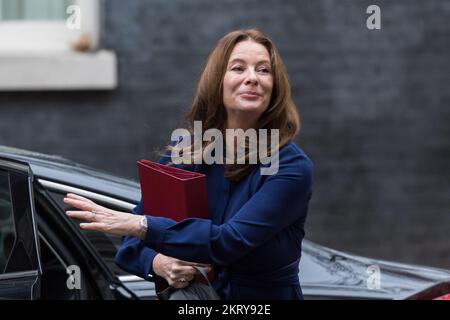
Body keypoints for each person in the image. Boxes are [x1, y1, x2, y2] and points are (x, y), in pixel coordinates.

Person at [64, 29, 313, 300]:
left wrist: (142, 225)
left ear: (275, 86)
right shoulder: (187, 154)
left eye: (263, 70)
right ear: (218, 80)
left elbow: (229, 241)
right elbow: (131, 244)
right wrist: (159, 263)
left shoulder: (290, 166)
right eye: (238, 68)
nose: (252, 78)